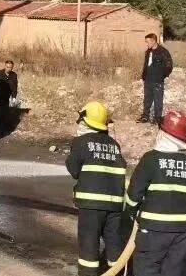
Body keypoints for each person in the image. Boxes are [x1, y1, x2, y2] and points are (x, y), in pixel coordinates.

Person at [126, 110, 186, 276]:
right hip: (184, 232)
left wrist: (130, 214)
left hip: (153, 229)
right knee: (173, 271)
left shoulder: (151, 159)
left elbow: (134, 195)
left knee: (146, 269)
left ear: (163, 133)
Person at [66, 101, 126, 276]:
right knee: (114, 243)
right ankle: (117, 272)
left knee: (89, 245)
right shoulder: (114, 145)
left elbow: (74, 170)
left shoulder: (81, 142)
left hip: (91, 205)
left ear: (84, 121)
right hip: (115, 205)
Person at [139, 33, 173, 124]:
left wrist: (162, 76)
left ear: (153, 41)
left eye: (147, 42)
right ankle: (145, 116)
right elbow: (146, 65)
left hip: (158, 81)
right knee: (147, 99)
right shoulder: (148, 52)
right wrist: (144, 76)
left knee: (158, 100)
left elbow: (169, 66)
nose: (146, 44)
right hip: (148, 80)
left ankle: (157, 118)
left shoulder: (163, 52)